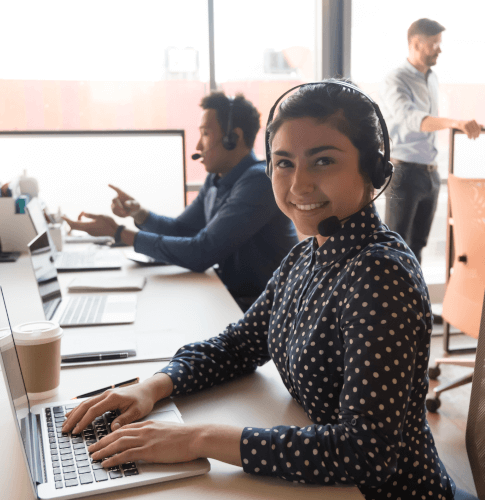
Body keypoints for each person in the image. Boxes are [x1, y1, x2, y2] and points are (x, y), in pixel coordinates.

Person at [62, 80, 456, 499]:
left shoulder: (380, 275)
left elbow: (366, 454)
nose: (299, 184)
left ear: (372, 169)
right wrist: (151, 387)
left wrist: (198, 439)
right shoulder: (305, 257)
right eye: (284, 162)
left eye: (323, 161)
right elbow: (238, 345)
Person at [63, 92, 298, 311]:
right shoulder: (216, 179)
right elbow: (182, 229)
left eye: (205, 134)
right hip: (229, 298)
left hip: (262, 310)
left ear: (232, 138)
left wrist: (119, 233)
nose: (198, 146)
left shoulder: (259, 182)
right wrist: (140, 214)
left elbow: (201, 252)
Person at [380, 18, 482, 264]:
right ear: (416, 43)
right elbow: (411, 118)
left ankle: (412, 300)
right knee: (395, 246)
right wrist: (455, 123)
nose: (440, 49)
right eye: (434, 43)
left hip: (430, 174)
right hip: (404, 172)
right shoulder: (396, 79)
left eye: (439, 43)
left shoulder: (432, 78)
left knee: (417, 246)